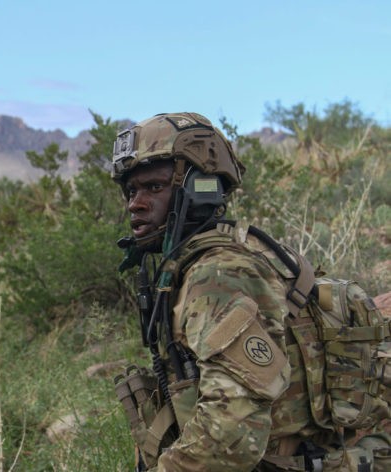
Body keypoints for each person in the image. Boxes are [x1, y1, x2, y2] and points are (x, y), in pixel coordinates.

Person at [111, 113, 389, 471]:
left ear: (198, 187)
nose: (136, 203)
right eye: (131, 191)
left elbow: (229, 437)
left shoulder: (219, 274)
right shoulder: (225, 253)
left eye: (154, 187)